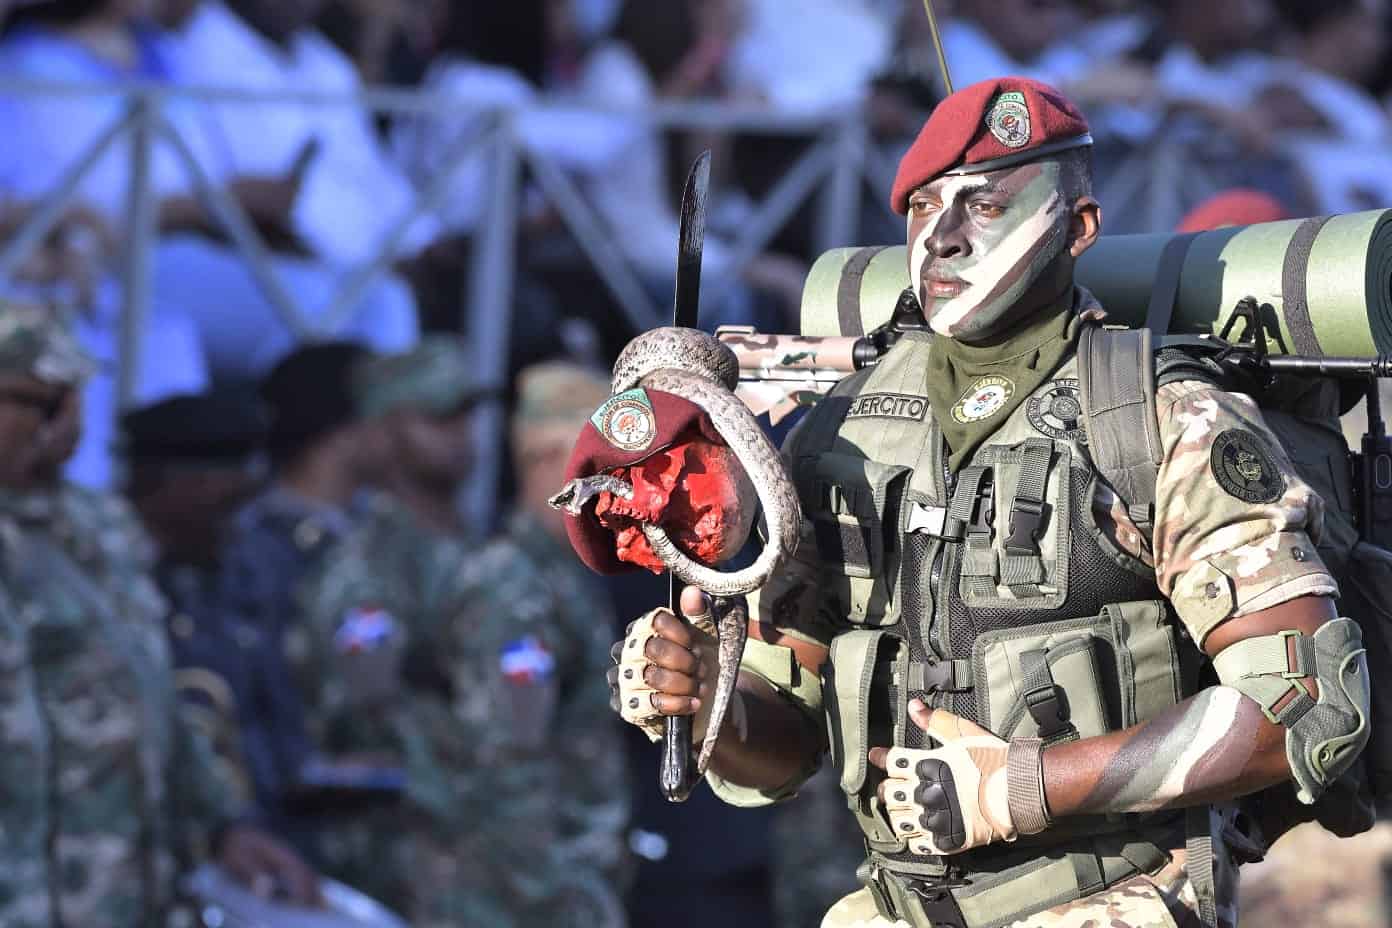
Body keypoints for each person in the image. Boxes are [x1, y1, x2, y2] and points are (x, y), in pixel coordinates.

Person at [606, 77, 1367, 927]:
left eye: (989, 203)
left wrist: (1024, 788)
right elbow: (782, 745)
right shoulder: (844, 430)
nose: (946, 236)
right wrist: (714, 705)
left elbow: (1301, 705)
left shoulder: (1161, 417)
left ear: (1078, 228)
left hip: (1115, 904)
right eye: (925, 204)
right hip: (896, 908)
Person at [0, 301, 319, 925]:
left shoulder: (97, 527)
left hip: (118, 889)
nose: (58, 426)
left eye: (66, 401)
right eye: (29, 402)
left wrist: (223, 822)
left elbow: (152, 691)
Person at [297, 344, 628, 925]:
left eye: (466, 416)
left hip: (537, 864)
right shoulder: (381, 566)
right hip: (465, 871)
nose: (462, 435)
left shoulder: (496, 556)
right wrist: (545, 890)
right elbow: (489, 754)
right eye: (438, 416)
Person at [216, 340, 388, 846]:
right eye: (382, 414)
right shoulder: (257, 548)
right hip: (298, 824)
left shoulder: (372, 534)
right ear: (341, 433)